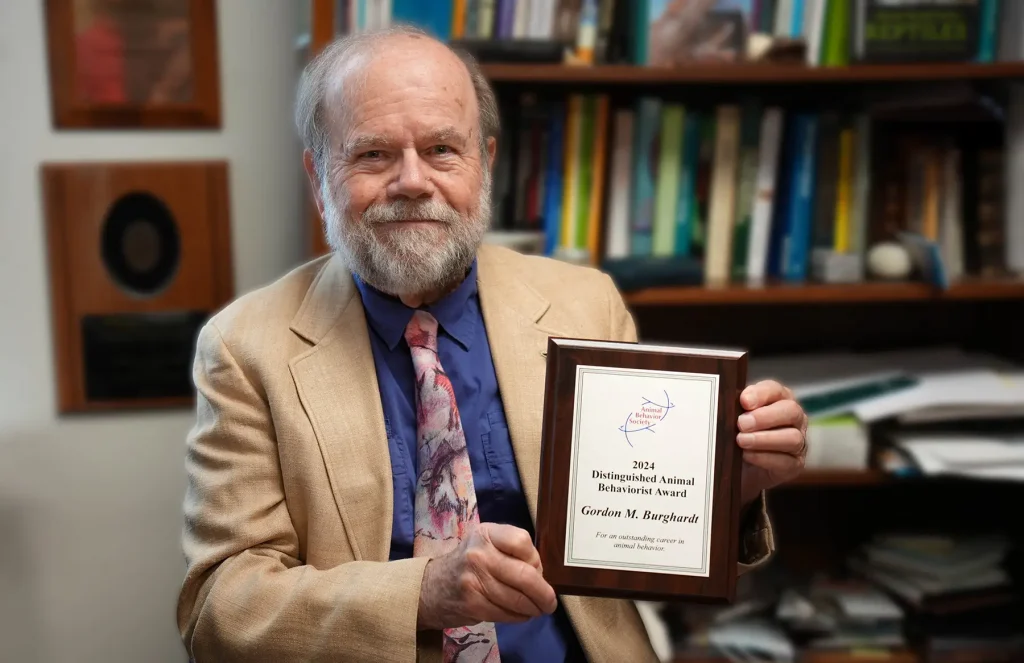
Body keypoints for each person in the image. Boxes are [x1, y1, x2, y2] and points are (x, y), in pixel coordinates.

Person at [176, 25, 807, 663]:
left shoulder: (584, 305)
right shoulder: (243, 348)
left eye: (443, 149)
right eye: (372, 155)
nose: (412, 181)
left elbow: (642, 543)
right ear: (319, 178)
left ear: (486, 164)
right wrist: (424, 593)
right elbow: (221, 611)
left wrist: (730, 486)